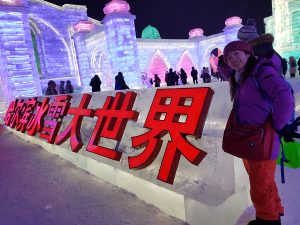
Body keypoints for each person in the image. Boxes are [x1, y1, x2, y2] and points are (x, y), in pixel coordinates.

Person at [223, 40, 295, 225]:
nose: (233, 59)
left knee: (260, 187)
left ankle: (267, 221)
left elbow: (284, 96)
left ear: (248, 54)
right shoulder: (241, 76)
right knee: (264, 182)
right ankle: (274, 213)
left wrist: (279, 124)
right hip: (248, 138)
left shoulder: (261, 72)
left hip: (262, 138)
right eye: (229, 57)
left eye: (237, 54)